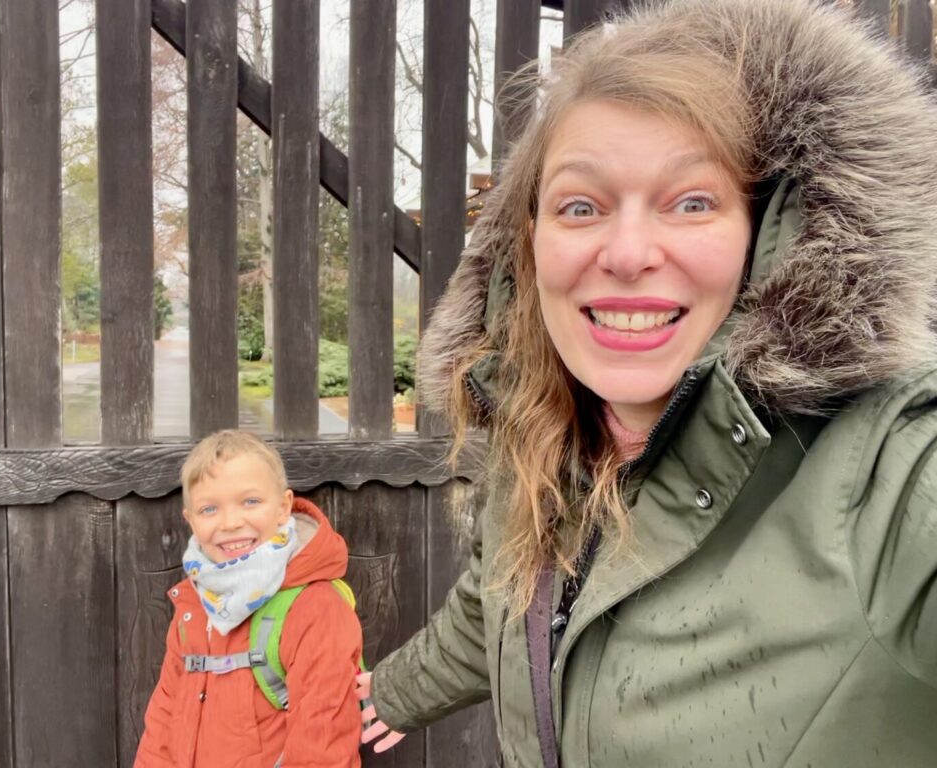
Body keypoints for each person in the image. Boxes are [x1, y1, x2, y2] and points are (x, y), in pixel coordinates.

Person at [357, 0, 937, 765]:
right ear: (528, 246)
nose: (627, 252)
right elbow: (500, 602)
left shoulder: (890, 471)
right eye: (581, 205)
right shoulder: (541, 441)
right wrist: (393, 693)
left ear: (769, 236)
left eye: (691, 202)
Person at [136, 429, 363, 767]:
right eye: (209, 509)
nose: (230, 522)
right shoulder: (195, 604)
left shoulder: (315, 608)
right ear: (191, 521)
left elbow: (324, 743)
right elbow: (165, 716)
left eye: (251, 502)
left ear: (283, 507)